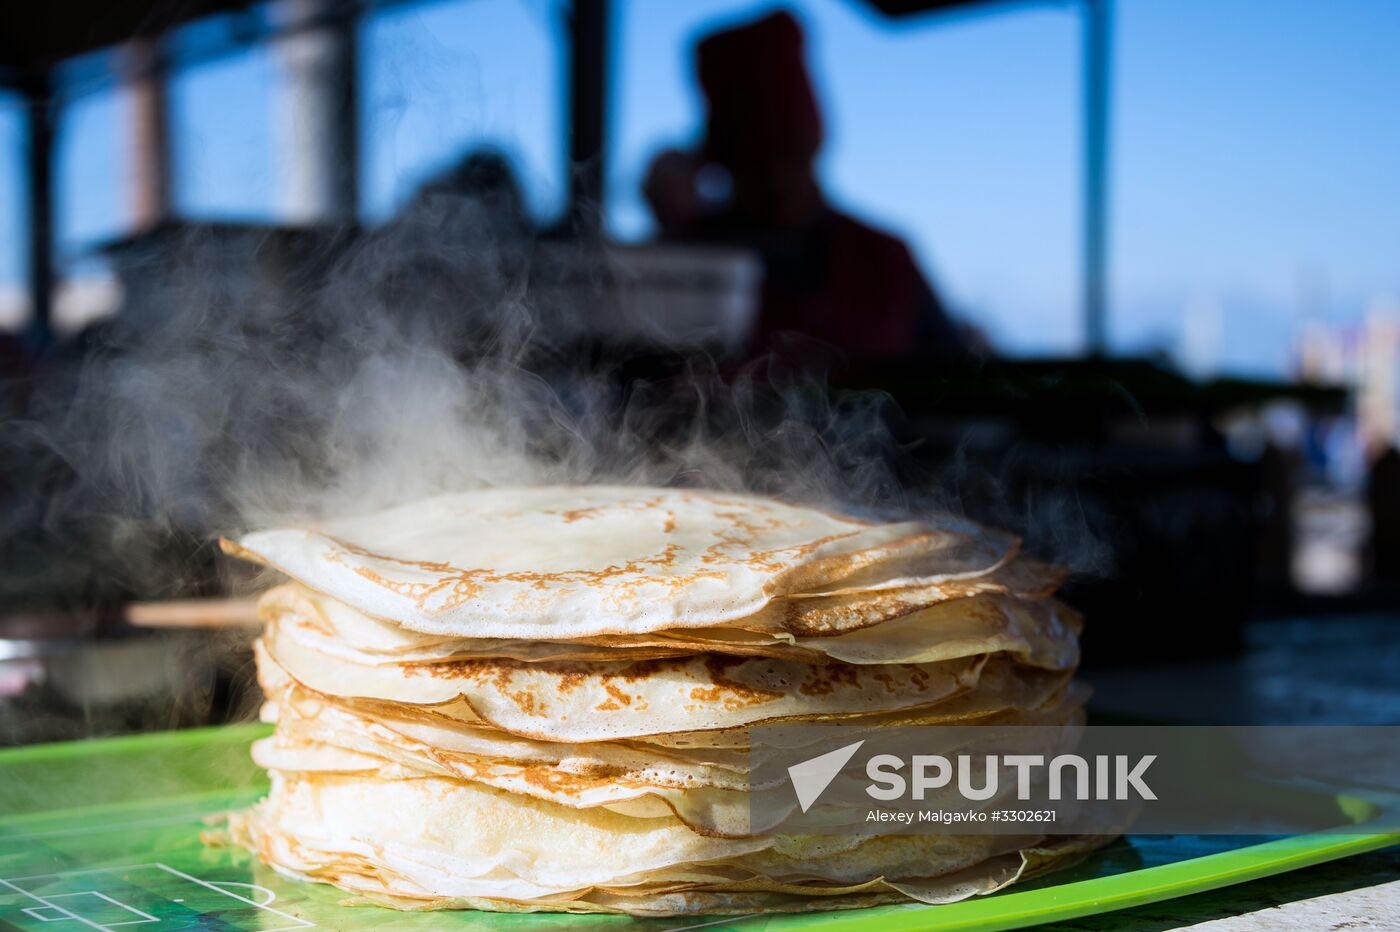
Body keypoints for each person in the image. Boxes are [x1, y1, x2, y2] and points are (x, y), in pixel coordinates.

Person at [644, 9, 969, 360]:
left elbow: (955, 378)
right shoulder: (690, 259)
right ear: (723, 160)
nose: (777, 180)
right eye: (755, 162)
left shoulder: (884, 258)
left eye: (791, 156)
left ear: (815, 147)